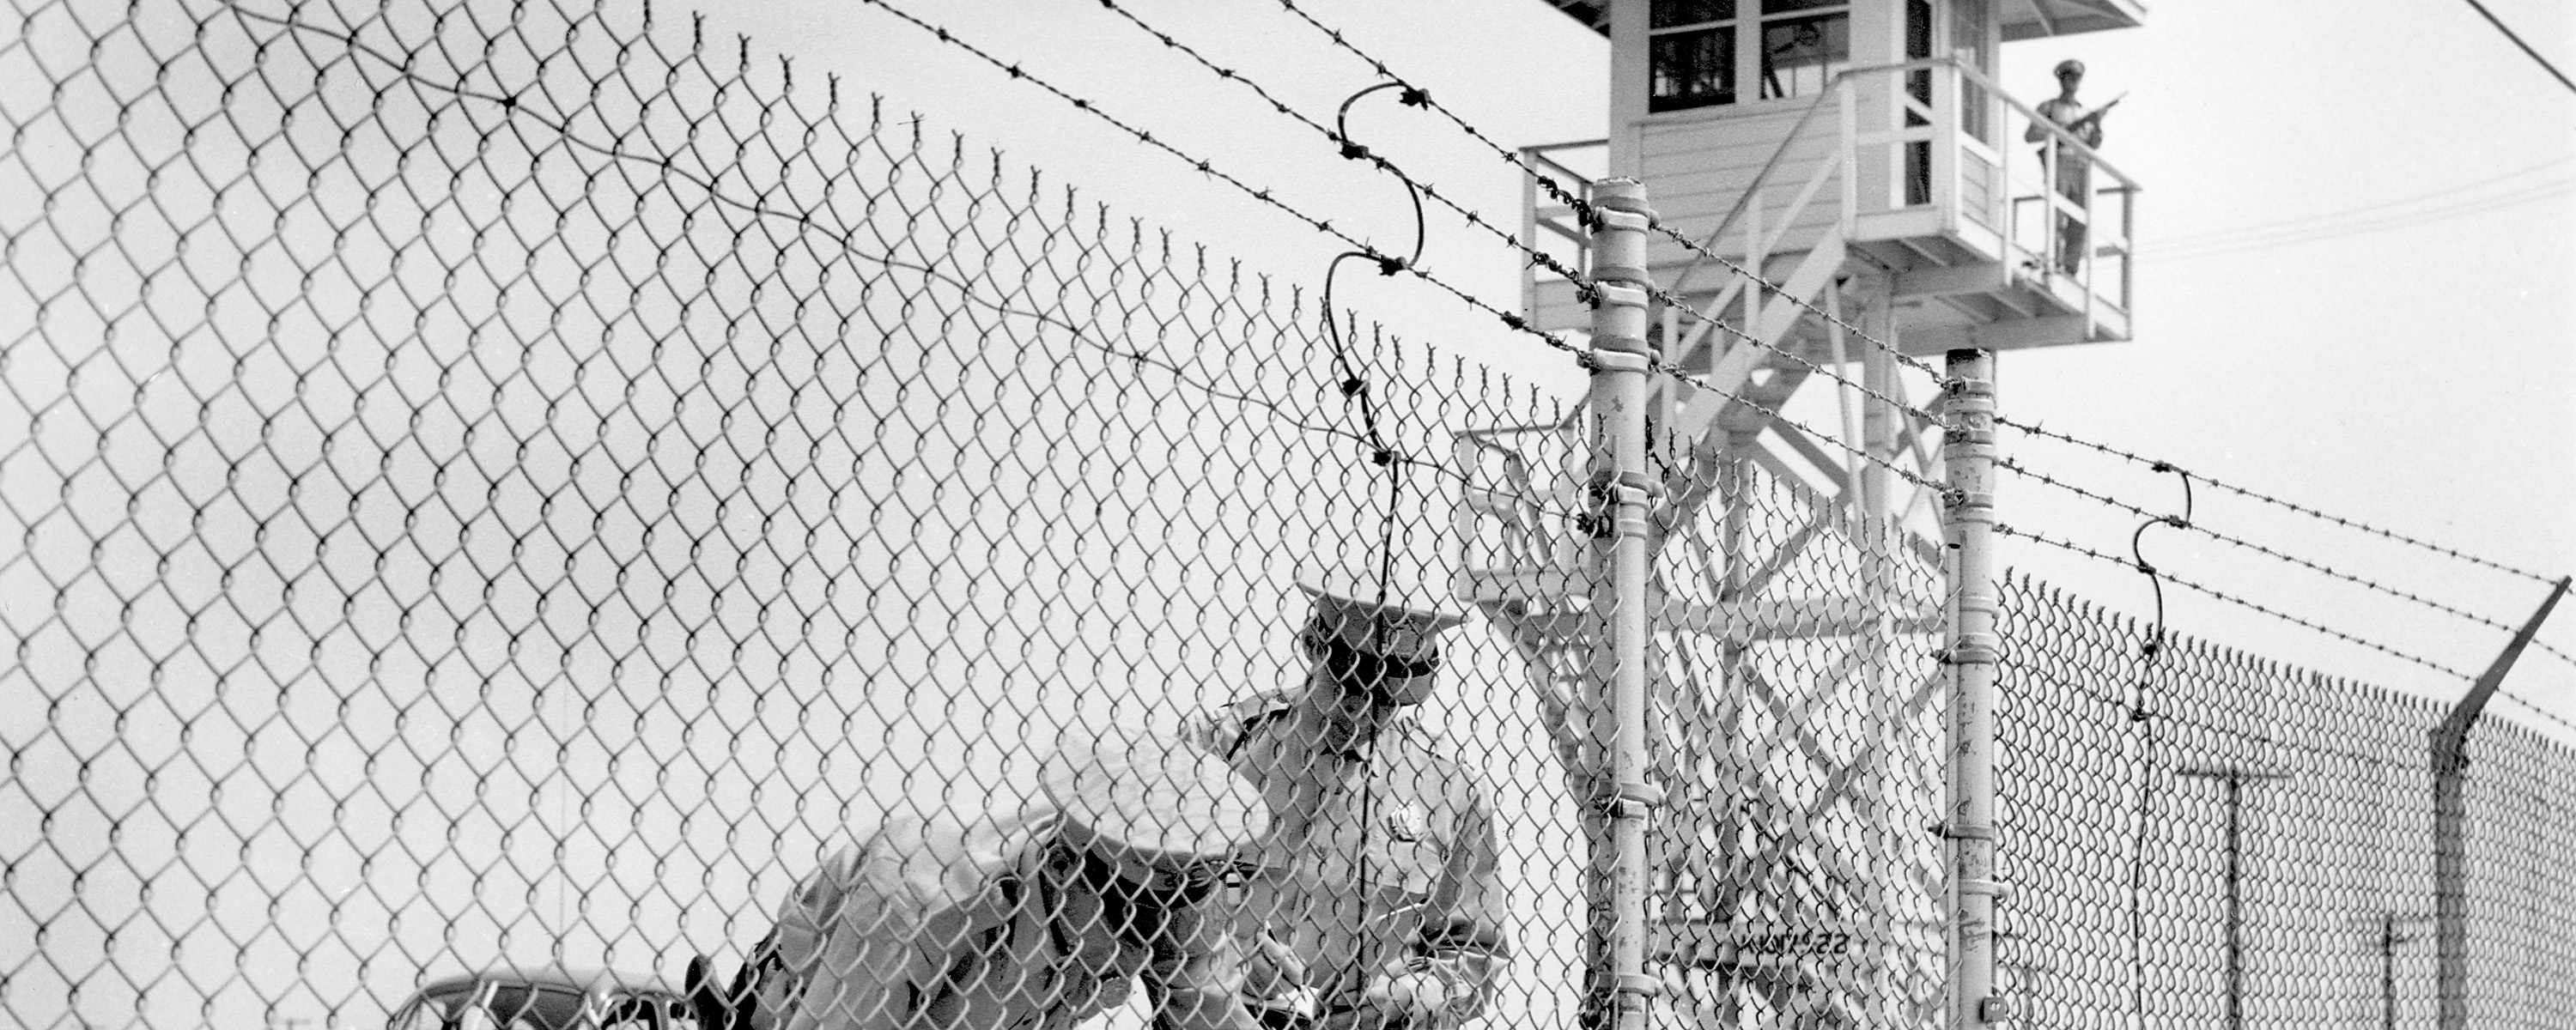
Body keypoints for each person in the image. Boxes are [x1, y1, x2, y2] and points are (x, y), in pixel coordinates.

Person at [687, 731, 1273, 1030]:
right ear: (1069, 867)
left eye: (1190, 898)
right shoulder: (922, 897)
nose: (1162, 944)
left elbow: (1209, 1007)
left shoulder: (1165, 894)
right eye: (1144, 912)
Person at [1186, 564, 1509, 1030]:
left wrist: (1408, 997)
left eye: (1387, 696)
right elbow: (1137, 890)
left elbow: (1472, 953)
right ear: (1313, 648)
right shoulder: (1222, 747)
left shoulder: (1449, 790)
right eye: (1348, 683)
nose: (1362, 709)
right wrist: (1213, 940)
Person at [2024, 58, 2109, 276]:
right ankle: (2055, 260)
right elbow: (2031, 135)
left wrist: (2097, 122)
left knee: (2080, 219)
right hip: (2059, 162)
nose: (2074, 81)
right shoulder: (2049, 107)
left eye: (2077, 77)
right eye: (2070, 77)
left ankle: (2071, 268)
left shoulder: (2085, 111)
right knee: (2058, 216)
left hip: (2081, 166)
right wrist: (2059, 131)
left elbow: (2095, 144)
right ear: (2062, 79)